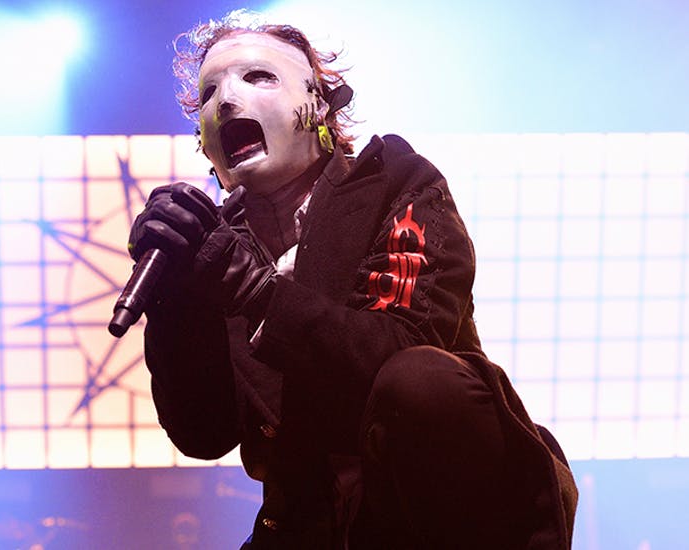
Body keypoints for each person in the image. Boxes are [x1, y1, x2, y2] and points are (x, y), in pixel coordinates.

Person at [127, 10, 577, 549]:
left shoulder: (397, 182)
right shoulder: (222, 248)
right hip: (309, 527)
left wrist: (258, 292)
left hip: (441, 512)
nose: (225, 101)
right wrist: (175, 300)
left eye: (258, 77)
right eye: (208, 92)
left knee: (420, 379)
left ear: (320, 103)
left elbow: (407, 356)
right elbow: (204, 433)